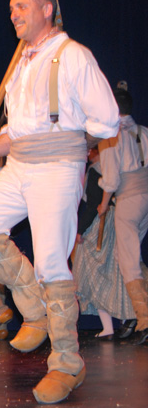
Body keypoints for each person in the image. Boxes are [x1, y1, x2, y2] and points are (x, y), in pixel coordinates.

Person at [0, 0, 119, 403]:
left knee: (52, 263)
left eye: (22, 6)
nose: (13, 14)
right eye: (11, 8)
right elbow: (17, 132)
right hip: (18, 166)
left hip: (56, 169)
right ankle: (35, 309)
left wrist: (71, 143)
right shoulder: (21, 62)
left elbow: (107, 120)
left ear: (47, 9)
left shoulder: (73, 55)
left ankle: (67, 363)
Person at [97, 86, 148, 345]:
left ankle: (145, 320)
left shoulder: (111, 136)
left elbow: (111, 179)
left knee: (128, 260)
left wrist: (104, 204)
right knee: (130, 255)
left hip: (128, 199)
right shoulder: (144, 132)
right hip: (145, 197)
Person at [72, 146, 136, 340]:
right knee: (114, 272)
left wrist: (80, 230)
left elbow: (94, 204)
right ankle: (121, 322)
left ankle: (117, 323)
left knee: (92, 272)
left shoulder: (97, 170)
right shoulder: (115, 167)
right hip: (118, 219)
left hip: (101, 224)